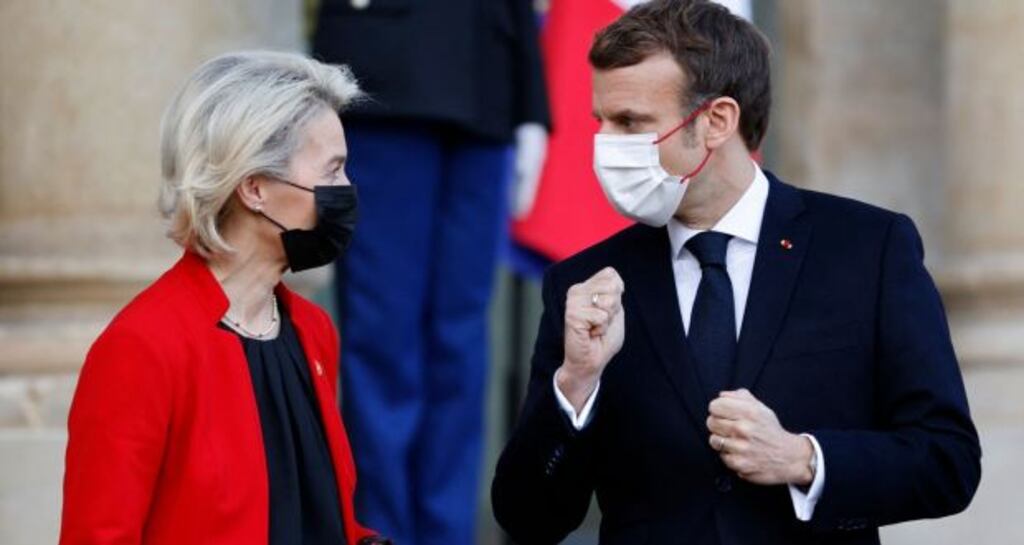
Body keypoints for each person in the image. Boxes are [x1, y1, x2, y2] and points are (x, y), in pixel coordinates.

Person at [491, 1, 982, 544]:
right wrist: (575, 385)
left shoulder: (867, 248)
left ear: (717, 122)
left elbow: (947, 461)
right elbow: (527, 517)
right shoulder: (585, 283)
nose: (605, 143)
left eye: (630, 122)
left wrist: (803, 459)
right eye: (600, 121)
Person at [59, 51, 390, 545]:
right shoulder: (143, 347)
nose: (347, 189)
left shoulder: (312, 331)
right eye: (333, 169)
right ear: (254, 187)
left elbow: (321, 516)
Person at [311, 1, 550, 543]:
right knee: (384, 342)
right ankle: (384, 533)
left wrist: (530, 99)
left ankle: (447, 533)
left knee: (461, 345)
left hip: (487, 83)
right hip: (384, 76)